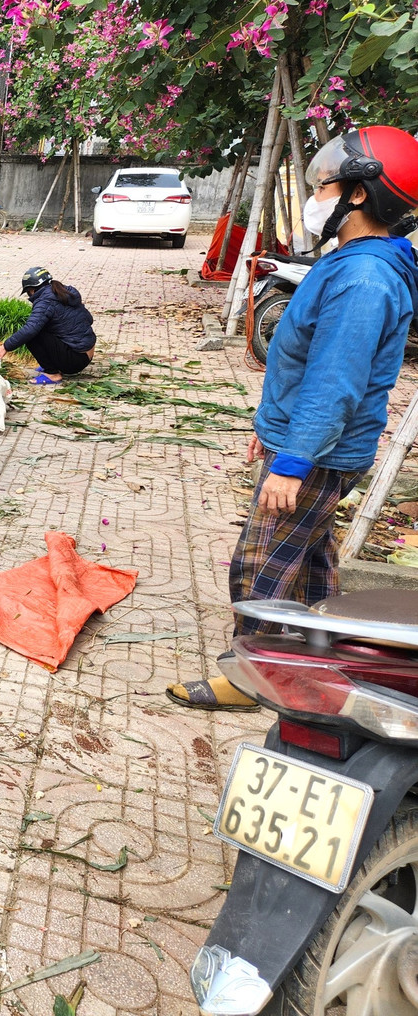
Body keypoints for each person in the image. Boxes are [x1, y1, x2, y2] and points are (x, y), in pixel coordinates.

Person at [168, 125, 418, 711]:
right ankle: (333, 658)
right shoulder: (358, 261)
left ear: (359, 195)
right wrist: (273, 434)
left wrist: (294, 460)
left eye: (326, 184)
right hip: (315, 446)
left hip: (321, 453)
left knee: (260, 566)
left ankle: (253, 676)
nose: (318, 194)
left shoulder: (364, 278)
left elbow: (334, 385)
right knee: (309, 558)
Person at [0, 267, 97, 383]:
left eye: (28, 292)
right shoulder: (63, 292)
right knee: (43, 327)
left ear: (32, 289)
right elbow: (89, 319)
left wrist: (5, 347)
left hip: (75, 360)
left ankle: (53, 374)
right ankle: (52, 363)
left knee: (33, 336)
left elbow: (30, 330)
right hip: (86, 353)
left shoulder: (45, 301)